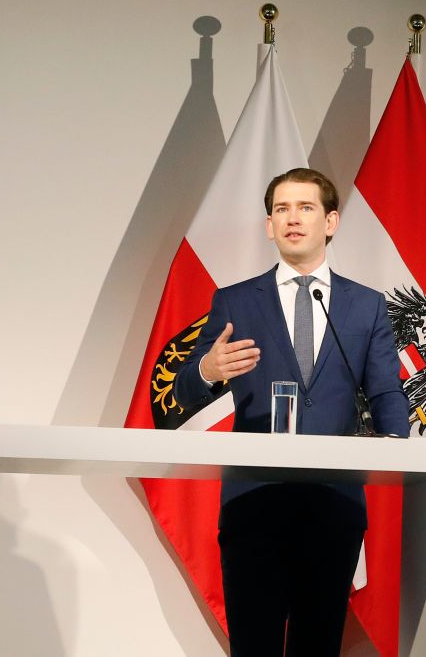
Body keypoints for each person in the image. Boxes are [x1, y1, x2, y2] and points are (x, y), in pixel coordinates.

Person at [172, 167, 411, 656]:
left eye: (305, 208)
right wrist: (208, 371)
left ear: (331, 221)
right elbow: (182, 391)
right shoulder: (236, 300)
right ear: (268, 225)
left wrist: (401, 454)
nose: (292, 218)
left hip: (333, 505)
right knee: (254, 645)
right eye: (281, 209)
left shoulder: (365, 306)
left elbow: (387, 394)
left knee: (317, 646)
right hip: (254, 504)